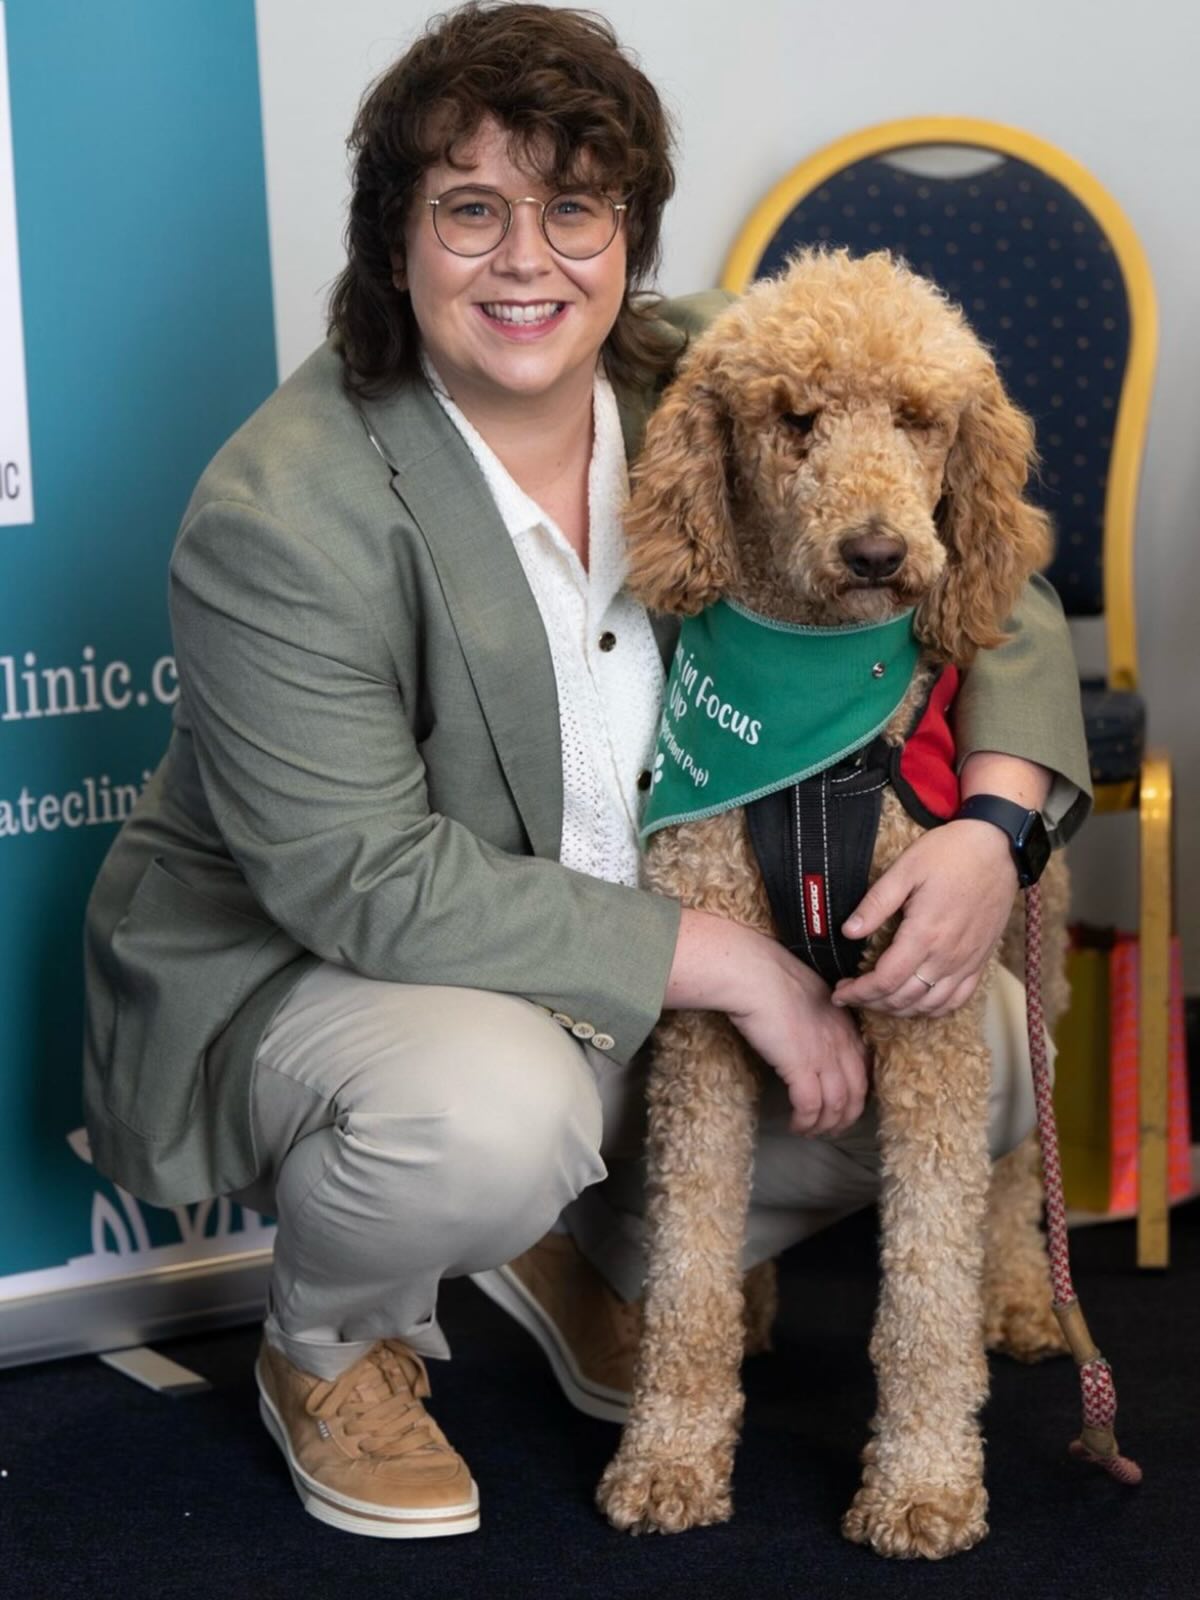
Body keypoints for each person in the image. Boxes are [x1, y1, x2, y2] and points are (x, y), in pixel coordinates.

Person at [83, 1, 1090, 1541]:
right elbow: (362, 879)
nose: (526, 260)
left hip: (630, 939)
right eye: (470, 210)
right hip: (341, 964)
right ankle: (330, 1348)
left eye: (574, 209)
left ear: (627, 235)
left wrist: (995, 828)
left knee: (989, 1042)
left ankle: (588, 1256)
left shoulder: (696, 370)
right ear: (393, 239)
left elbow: (974, 553)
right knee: (494, 1119)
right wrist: (737, 970)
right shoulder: (283, 509)